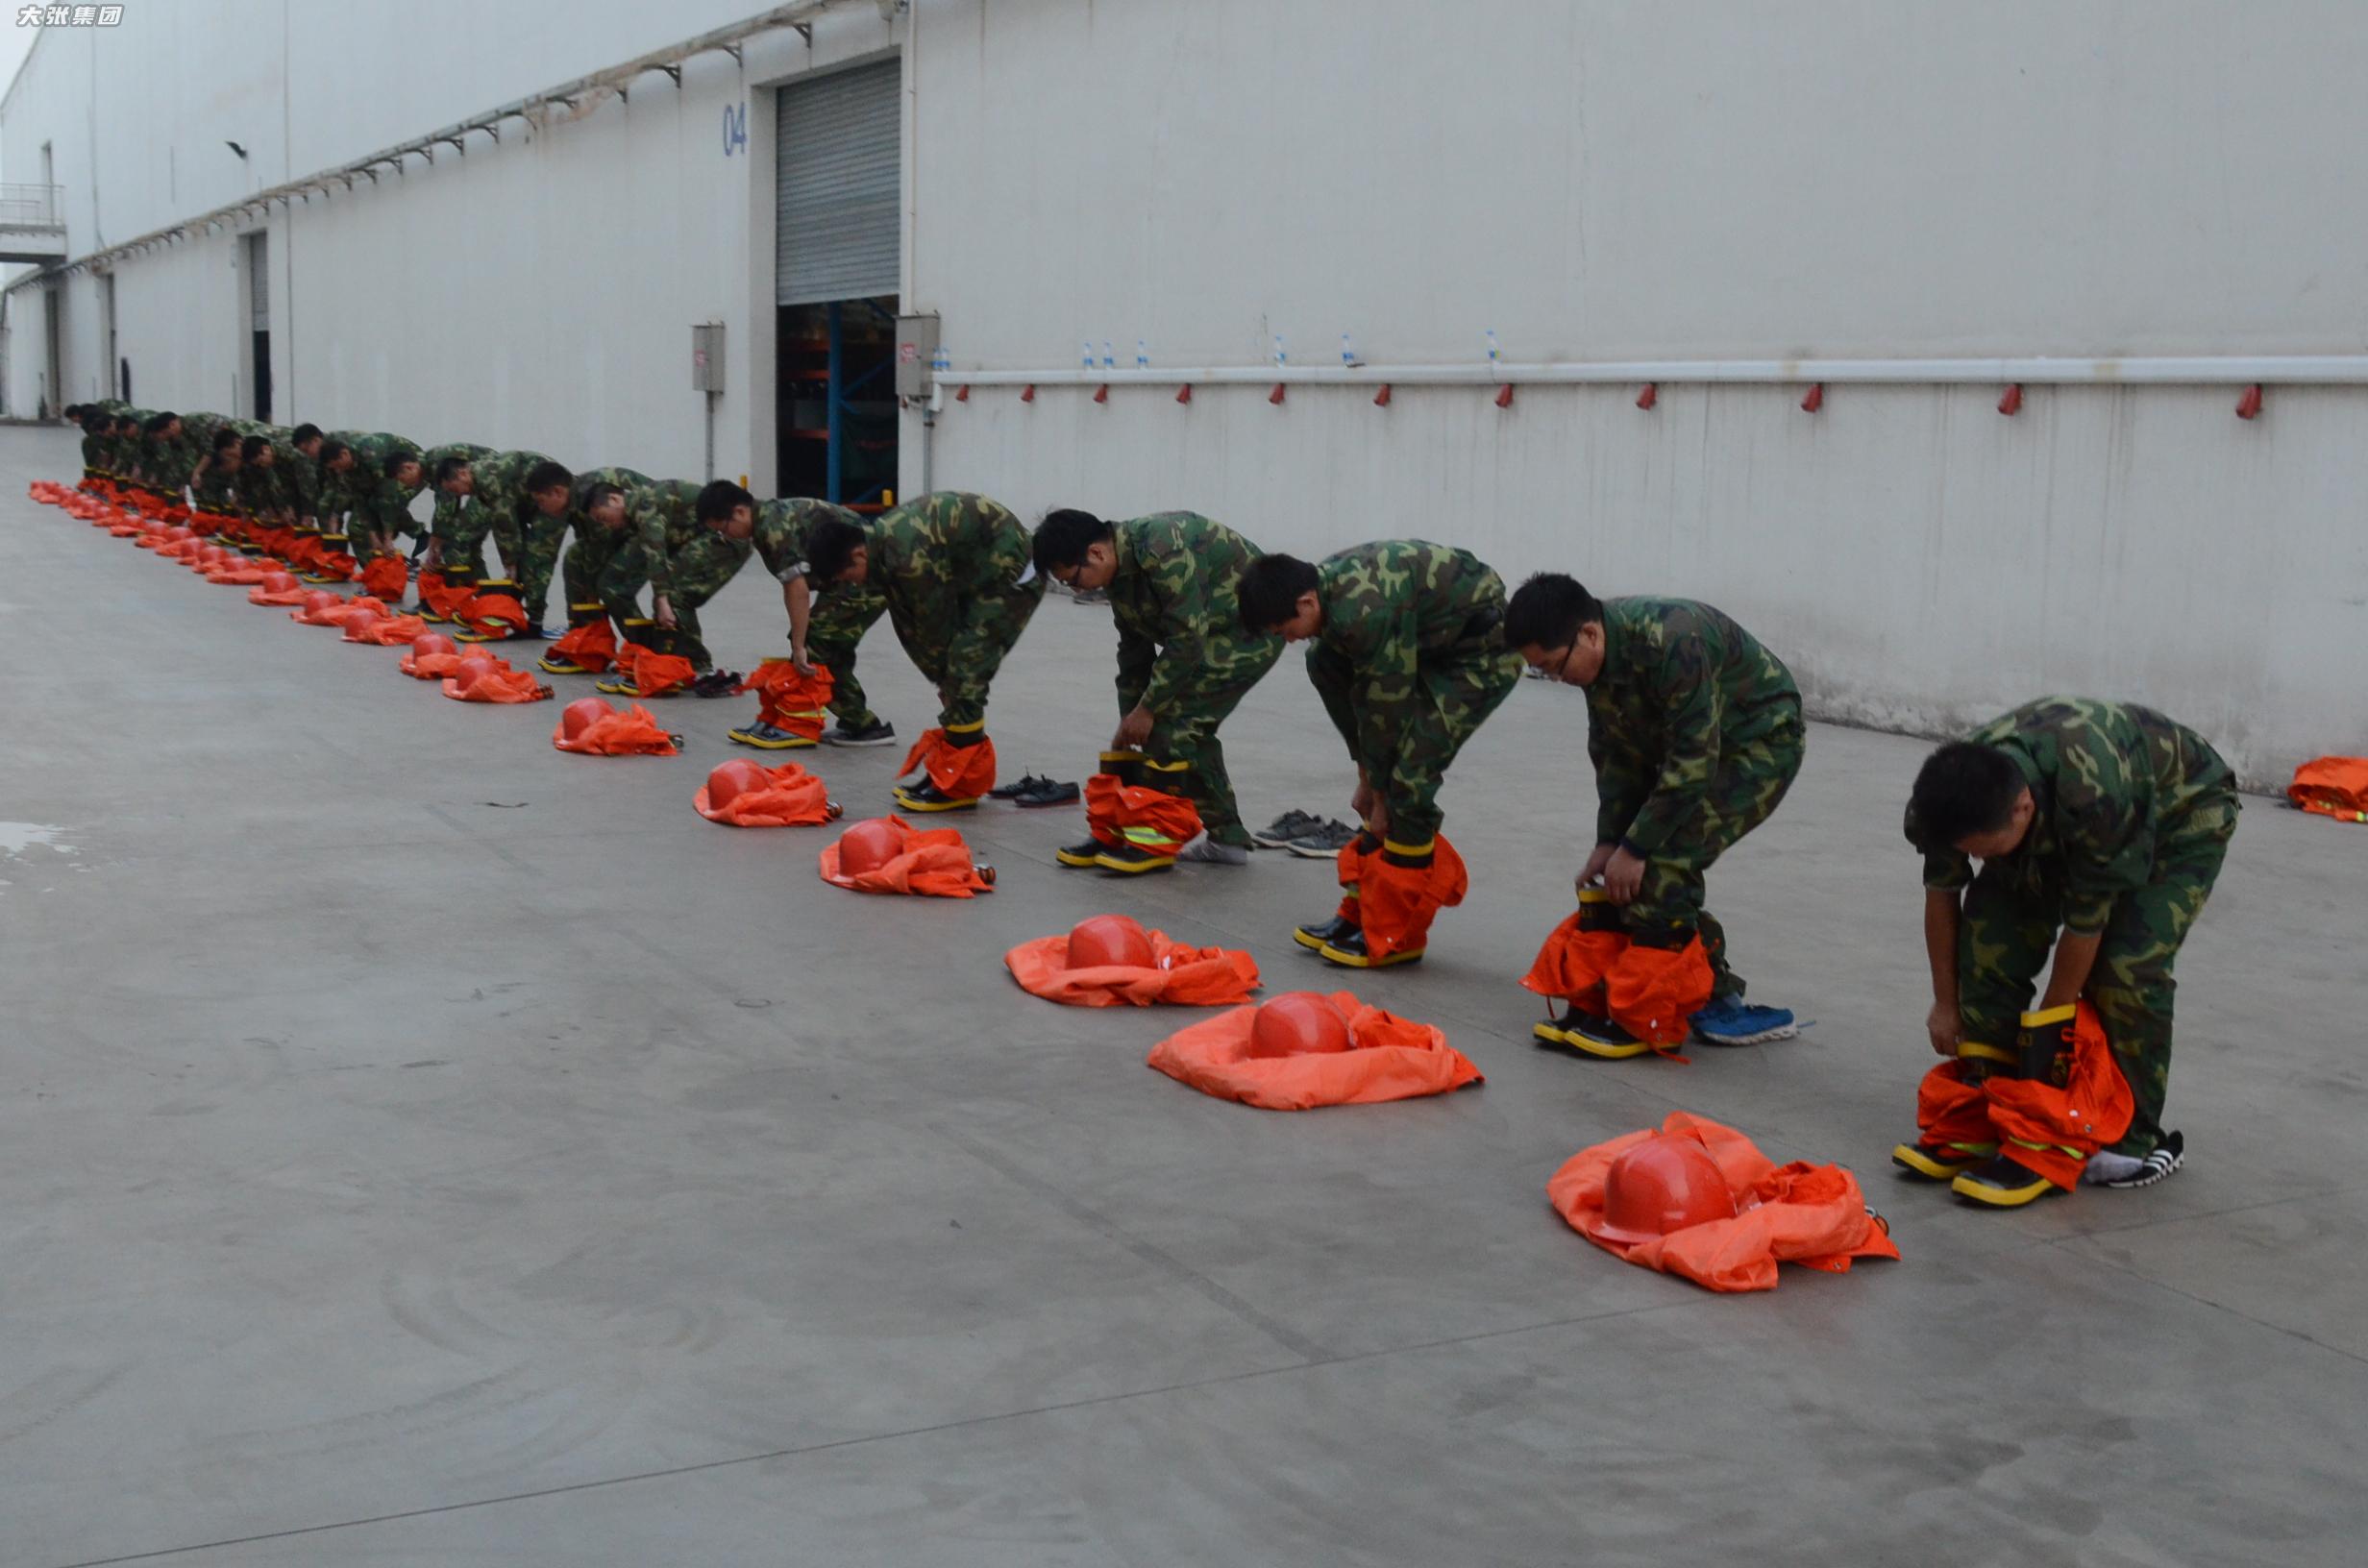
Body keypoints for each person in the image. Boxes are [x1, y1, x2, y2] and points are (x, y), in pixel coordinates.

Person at [1897, 698, 2238, 1207]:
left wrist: (2049, 1037)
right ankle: (1993, 1105)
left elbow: (2087, 922)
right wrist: (1946, 1003)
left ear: (2023, 809)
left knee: (2126, 968)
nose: (1973, 860)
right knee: (1990, 945)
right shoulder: (1948, 803)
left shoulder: (2097, 796)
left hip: (2178, 813)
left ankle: (2130, 1134)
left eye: (1984, 851)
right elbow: (1942, 896)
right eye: (1968, 850)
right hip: (2065, 818)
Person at [1504, 575, 1806, 1054]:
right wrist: (1610, 842)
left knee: (1663, 863)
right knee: (1621, 875)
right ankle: (1705, 990)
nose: (1558, 679)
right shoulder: (1594, 657)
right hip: (1685, 743)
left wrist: (1638, 845)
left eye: (1555, 666)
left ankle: (1655, 1015)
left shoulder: (1672, 640)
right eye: (1543, 672)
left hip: (1758, 739)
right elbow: (1615, 754)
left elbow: (1694, 760)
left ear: (1589, 634)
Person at [1236, 542, 1522, 968]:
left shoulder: (1365, 612)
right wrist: (1366, 779)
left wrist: (1381, 794)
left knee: (1410, 775)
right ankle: (1361, 913)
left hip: (1479, 653)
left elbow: (1385, 710)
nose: (1288, 640)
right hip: (1427, 641)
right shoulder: (1330, 594)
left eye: (1284, 629)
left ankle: (1396, 931)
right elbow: (1365, 709)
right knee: (1323, 662)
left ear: (1306, 601)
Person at [1030, 507, 1282, 870]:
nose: (1076, 589)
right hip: (1206, 634)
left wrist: (1147, 711)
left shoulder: (1164, 547)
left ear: (1096, 553)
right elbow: (1133, 652)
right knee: (1167, 730)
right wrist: (1128, 723)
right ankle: (1210, 838)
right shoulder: (1118, 572)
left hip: (1250, 629)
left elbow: (1187, 640)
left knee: (1172, 726)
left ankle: (1154, 838)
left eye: (1072, 579)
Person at [805, 493, 1047, 808]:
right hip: (974, 571)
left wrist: (948, 683)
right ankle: (951, 764)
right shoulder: (884, 554)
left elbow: (935, 625)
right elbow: (908, 625)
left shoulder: (907, 557)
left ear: (859, 555)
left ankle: (961, 782)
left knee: (966, 664)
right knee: (954, 673)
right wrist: (938, 679)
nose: (849, 585)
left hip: (1012, 570)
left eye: (846, 576)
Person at [727, 494, 888, 747]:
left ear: (739, 513)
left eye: (724, 528)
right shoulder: (765, 521)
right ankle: (860, 724)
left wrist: (798, 645)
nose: (726, 536)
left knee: (815, 642)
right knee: (826, 644)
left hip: (862, 569)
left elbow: (797, 589)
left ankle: (801, 725)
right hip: (845, 571)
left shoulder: (772, 527)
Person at [594, 476, 754, 696]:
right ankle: (670, 660)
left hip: (728, 536)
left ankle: (698, 669)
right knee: (669, 596)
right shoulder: (638, 509)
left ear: (615, 499)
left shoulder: (643, 505)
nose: (606, 525)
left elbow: (656, 551)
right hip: (707, 537)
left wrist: (662, 599)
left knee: (673, 598)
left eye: (603, 517)